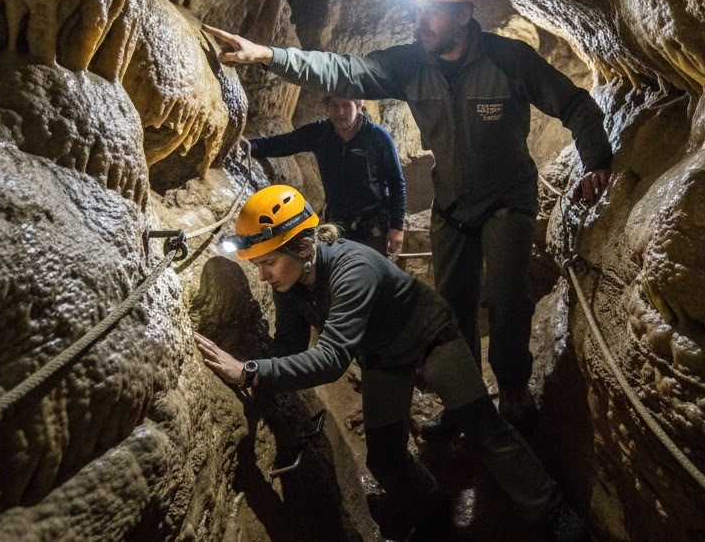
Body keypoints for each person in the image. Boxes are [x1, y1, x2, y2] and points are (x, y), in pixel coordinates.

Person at [203, 0, 612, 434]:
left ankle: (514, 390)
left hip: (507, 202)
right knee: (451, 311)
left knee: (504, 302)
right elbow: (344, 70)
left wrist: (597, 162)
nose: (419, 22)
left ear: (464, 12)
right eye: (415, 11)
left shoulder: (510, 62)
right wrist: (272, 56)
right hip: (453, 207)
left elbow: (575, 104)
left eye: (431, 11)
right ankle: (464, 404)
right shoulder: (411, 64)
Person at [194, 184, 589, 542]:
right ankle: (432, 509)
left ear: (301, 246)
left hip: (429, 338)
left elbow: (331, 360)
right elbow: (289, 344)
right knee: (384, 456)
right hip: (383, 356)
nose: (262, 276)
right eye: (257, 265)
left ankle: (550, 508)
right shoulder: (291, 282)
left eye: (268, 263)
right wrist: (260, 373)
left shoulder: (353, 270)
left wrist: (248, 371)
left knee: (482, 426)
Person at [249, 95, 406, 256]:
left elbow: (396, 182)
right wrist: (250, 146)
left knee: (371, 275)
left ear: (359, 107)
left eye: (346, 105)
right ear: (327, 108)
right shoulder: (321, 132)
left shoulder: (377, 137)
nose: (340, 112)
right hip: (337, 222)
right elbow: (284, 143)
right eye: (334, 106)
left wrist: (397, 227)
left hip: (372, 226)